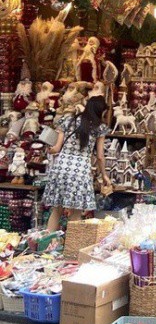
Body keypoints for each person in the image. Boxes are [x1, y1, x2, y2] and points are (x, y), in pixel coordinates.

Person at [43, 96, 111, 233]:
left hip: (61, 168)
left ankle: (47, 246)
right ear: (100, 111)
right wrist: (104, 175)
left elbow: (56, 149)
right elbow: (99, 156)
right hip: (80, 171)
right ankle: (71, 248)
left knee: (56, 211)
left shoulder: (68, 120)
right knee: (76, 213)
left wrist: (48, 149)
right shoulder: (99, 127)